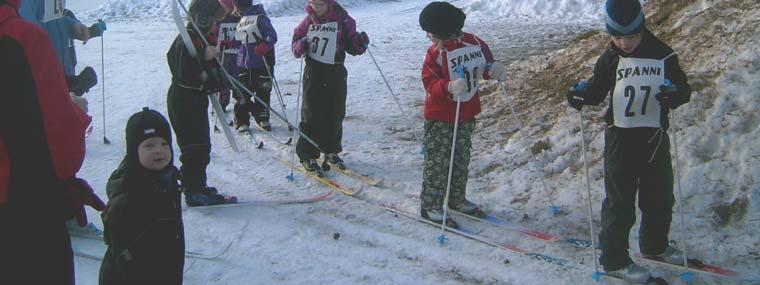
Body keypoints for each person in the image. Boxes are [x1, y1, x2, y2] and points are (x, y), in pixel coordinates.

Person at [565, 0, 692, 282]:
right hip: (620, 138)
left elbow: (683, 88)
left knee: (659, 195)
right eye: (617, 37)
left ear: (642, 27)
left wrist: (675, 95)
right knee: (619, 201)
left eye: (631, 36)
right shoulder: (609, 59)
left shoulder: (663, 55)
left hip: (653, 137)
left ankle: (655, 245)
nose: (624, 43)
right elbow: (596, 92)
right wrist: (579, 94)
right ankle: (614, 259)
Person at [0, 0, 105, 283]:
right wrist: (74, 113)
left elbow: (59, 20)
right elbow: (59, 146)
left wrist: (75, 28)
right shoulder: (20, 37)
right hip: (23, 204)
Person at [417, 2, 507, 227]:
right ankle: (431, 204)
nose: (428, 36)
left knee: (460, 158)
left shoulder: (474, 43)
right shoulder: (435, 54)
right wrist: (446, 86)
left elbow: (485, 64)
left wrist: (493, 69)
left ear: (445, 30)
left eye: (431, 32)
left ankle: (456, 198)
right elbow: (429, 81)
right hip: (440, 116)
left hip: (466, 112)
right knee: (438, 160)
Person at [99, 108, 185, 285]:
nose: (158, 151)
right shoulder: (129, 192)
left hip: (166, 265)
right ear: (133, 151)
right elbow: (113, 234)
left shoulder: (167, 178)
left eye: (164, 144)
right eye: (149, 145)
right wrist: (128, 257)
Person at [166, 0, 237, 206]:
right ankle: (193, 191)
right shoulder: (186, 40)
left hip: (195, 100)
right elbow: (183, 73)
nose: (217, 25)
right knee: (194, 147)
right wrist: (203, 61)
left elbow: (211, 72)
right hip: (184, 102)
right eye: (215, 20)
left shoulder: (201, 38)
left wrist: (218, 80)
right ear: (204, 18)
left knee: (201, 146)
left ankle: (197, 184)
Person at [291, 0, 369, 174]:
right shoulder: (309, 20)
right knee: (311, 112)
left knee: (335, 111)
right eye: (312, 3)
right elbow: (295, 44)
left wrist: (360, 43)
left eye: (319, 4)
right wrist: (301, 45)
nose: (315, 8)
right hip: (314, 70)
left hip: (335, 69)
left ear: (329, 4)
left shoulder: (344, 19)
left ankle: (331, 150)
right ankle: (307, 154)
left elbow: (352, 45)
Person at [233, 0, 277, 132]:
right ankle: (242, 120)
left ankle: (262, 117)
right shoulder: (241, 20)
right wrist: (230, 43)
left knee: (263, 91)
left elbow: (272, 35)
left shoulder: (259, 18)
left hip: (262, 63)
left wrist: (265, 45)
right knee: (242, 92)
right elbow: (240, 40)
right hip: (244, 64)